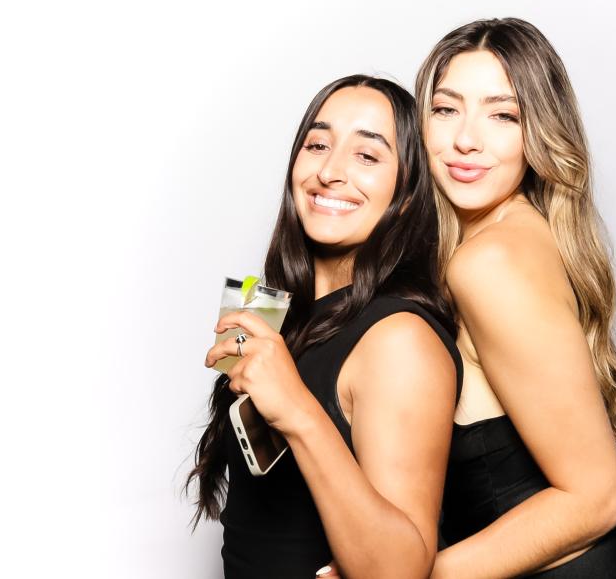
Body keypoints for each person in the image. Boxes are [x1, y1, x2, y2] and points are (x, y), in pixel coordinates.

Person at [412, 18, 616, 577]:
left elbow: (599, 498)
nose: (466, 139)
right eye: (446, 108)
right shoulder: (518, 233)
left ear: (538, 131)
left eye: (502, 115)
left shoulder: (489, 262)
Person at [187, 75, 463, 579]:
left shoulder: (399, 339)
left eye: (367, 155)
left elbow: (401, 571)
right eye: (317, 145)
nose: (330, 171)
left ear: (406, 194)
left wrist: (297, 410)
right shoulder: (282, 316)